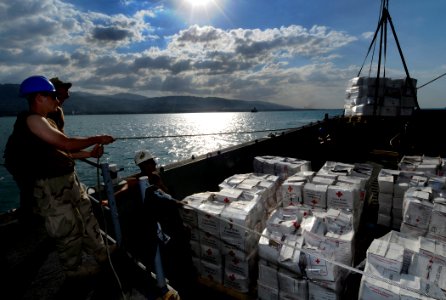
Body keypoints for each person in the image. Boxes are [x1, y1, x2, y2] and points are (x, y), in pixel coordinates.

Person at [3, 75, 115, 278]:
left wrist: (89, 154)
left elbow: (62, 152)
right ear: (39, 97)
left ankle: (100, 251)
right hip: (50, 187)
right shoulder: (32, 120)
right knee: (67, 228)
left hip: (68, 180)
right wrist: (98, 138)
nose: (57, 100)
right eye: (53, 95)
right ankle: (74, 269)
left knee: (86, 216)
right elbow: (66, 143)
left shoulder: (46, 122)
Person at [114, 150, 197, 299]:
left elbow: (126, 186)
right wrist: (179, 203)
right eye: (150, 162)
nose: (153, 164)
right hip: (161, 226)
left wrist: (111, 198)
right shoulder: (148, 180)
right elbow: (167, 200)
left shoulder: (143, 179)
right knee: (173, 256)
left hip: (156, 225)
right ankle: (175, 284)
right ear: (149, 163)